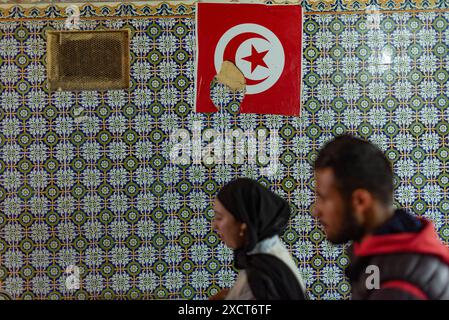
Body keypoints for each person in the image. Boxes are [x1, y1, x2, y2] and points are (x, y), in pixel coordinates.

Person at [313, 134, 449, 299]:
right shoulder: (382, 256)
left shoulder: (397, 287)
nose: (316, 211)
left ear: (360, 201)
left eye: (323, 198)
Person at [210, 177, 306, 300]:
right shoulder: (269, 256)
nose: (214, 226)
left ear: (243, 223)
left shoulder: (260, 279)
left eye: (219, 218)